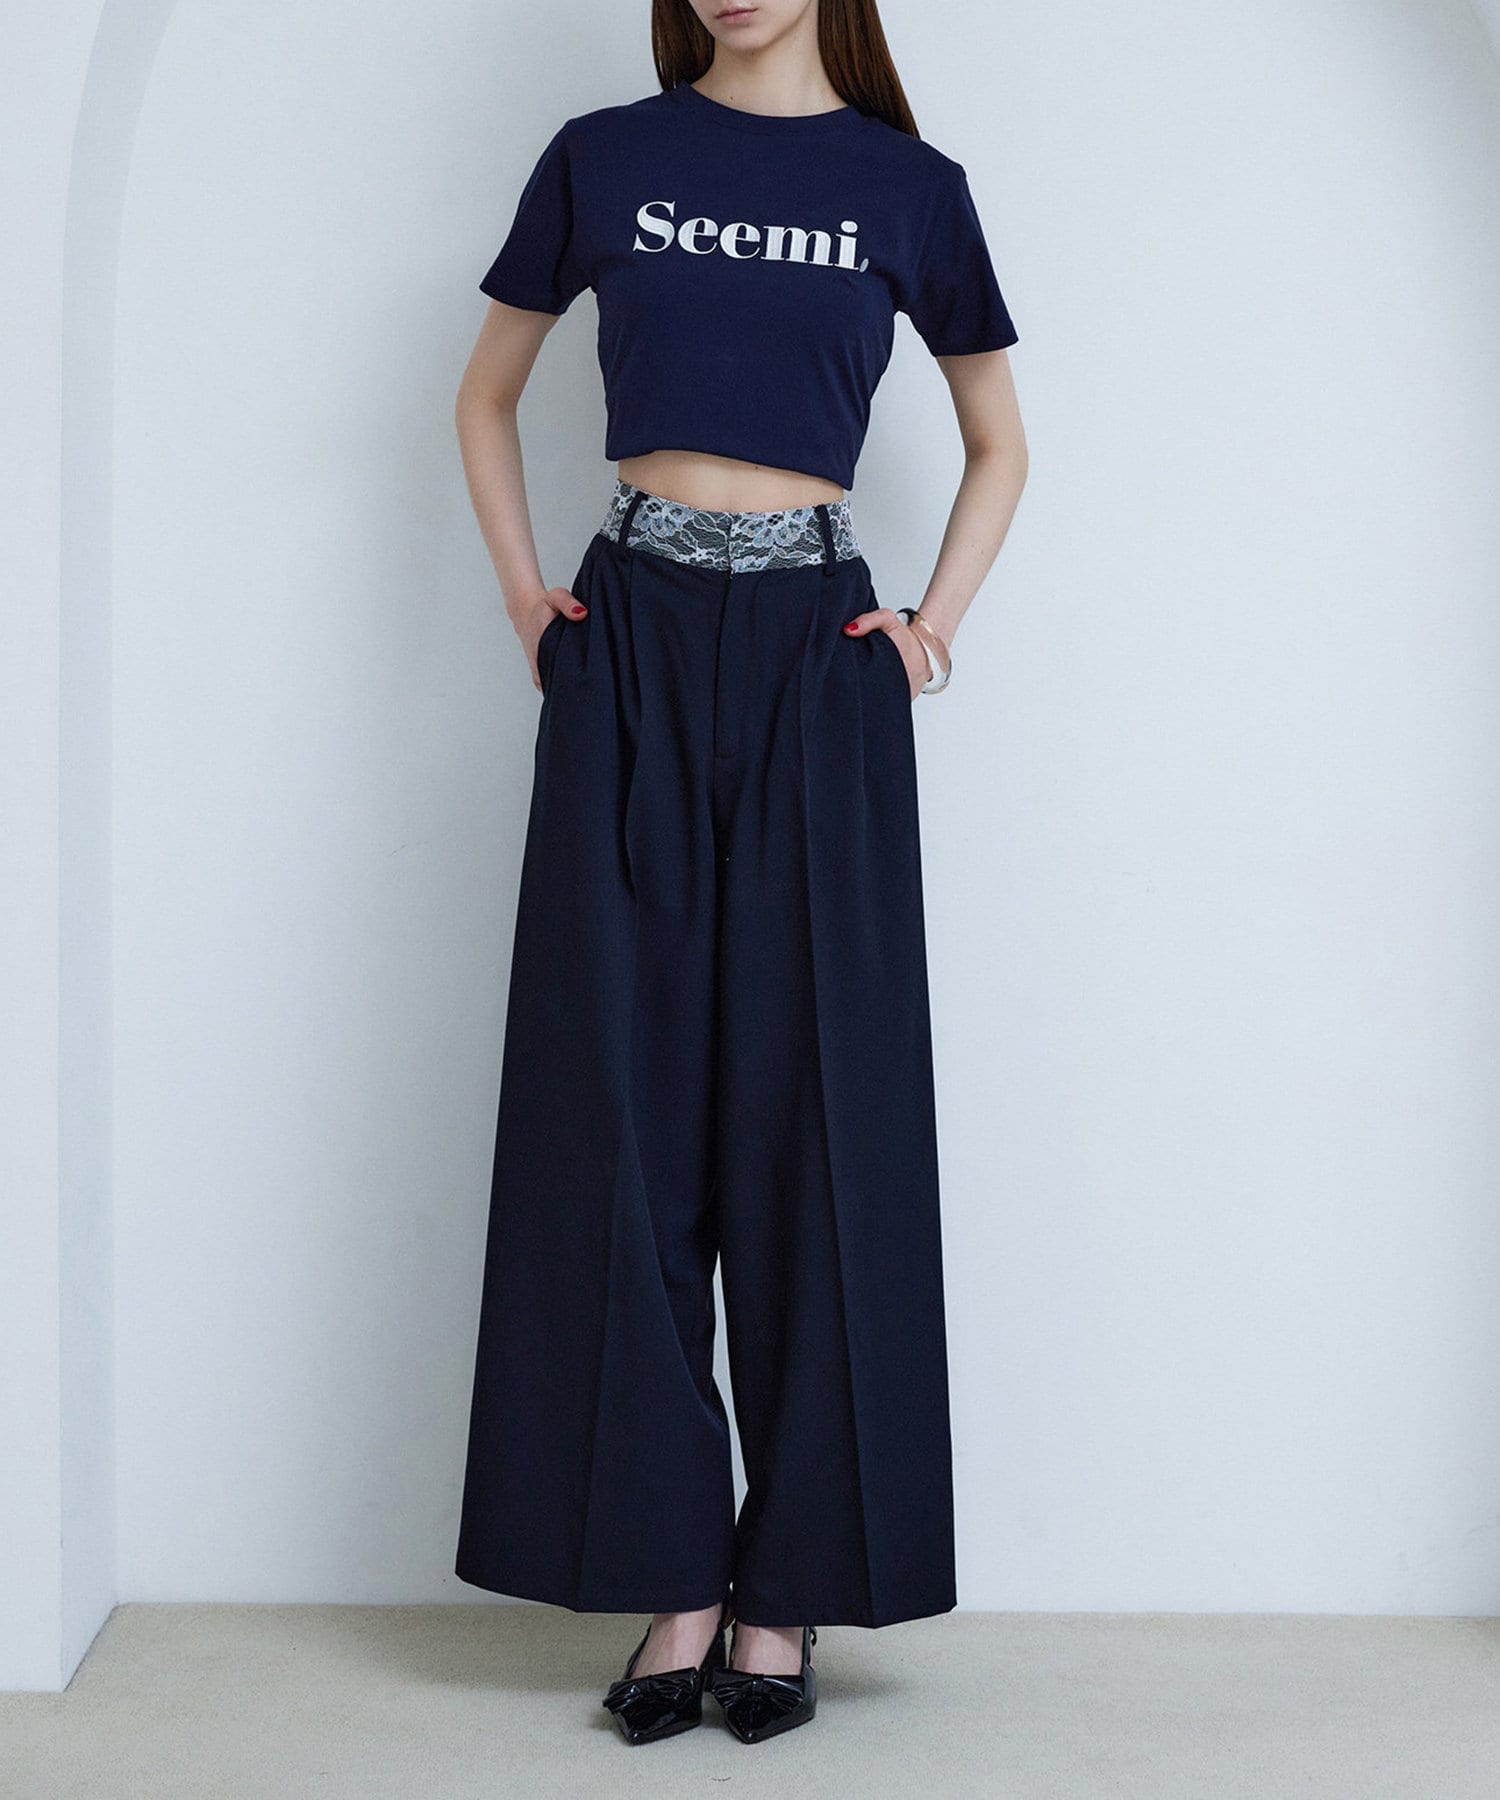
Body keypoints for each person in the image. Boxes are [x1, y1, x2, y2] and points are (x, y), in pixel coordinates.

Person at [452, 0, 1028, 1748]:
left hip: (813, 653)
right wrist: (529, 600)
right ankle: (673, 1579)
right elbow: (486, 394)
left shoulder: (909, 188)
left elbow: (1000, 437)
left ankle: (784, 1594)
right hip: (626, 637)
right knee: (614, 1105)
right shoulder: (605, 159)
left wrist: (929, 629)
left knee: (815, 1113)